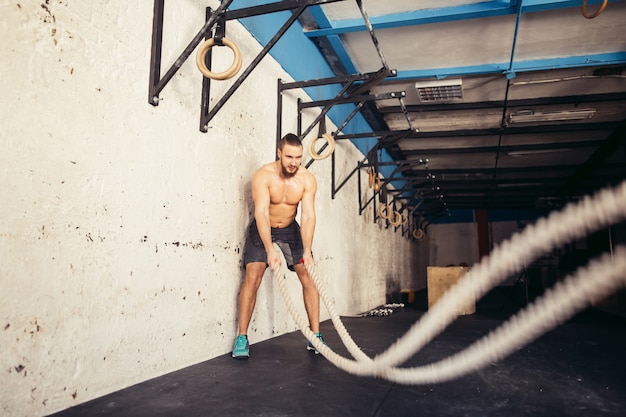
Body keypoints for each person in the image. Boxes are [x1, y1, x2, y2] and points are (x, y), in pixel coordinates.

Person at [232, 133, 326, 359]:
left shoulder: (307, 179)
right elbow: (262, 213)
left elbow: (309, 216)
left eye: (298, 157)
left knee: (308, 274)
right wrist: (270, 250)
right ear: (279, 153)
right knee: (253, 275)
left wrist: (306, 251)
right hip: (264, 226)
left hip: (290, 229)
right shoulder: (264, 176)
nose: (294, 162)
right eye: (289, 157)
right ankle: (242, 338)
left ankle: (315, 336)